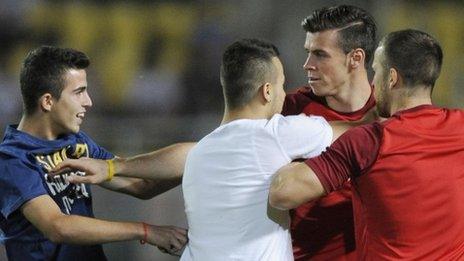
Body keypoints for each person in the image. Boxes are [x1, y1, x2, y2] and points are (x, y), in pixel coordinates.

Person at [52, 39, 373, 260]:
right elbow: (361, 131)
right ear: (267, 91)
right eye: (282, 83)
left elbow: (183, 156)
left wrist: (113, 167)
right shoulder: (279, 133)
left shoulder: (204, 150)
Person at [269, 29, 464, 260]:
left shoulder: (369, 142)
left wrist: (291, 151)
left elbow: (282, 193)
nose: (373, 82)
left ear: (391, 78)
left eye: (376, 72)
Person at [0, 46, 188, 261]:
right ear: (48, 101)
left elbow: (142, 184)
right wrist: (144, 230)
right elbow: (57, 226)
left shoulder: (76, 143)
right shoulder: (12, 160)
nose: (88, 101)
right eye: (79, 92)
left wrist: (196, 164)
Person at [282, 5, 377, 260]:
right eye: (308, 53)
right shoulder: (289, 111)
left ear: (355, 58)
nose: (307, 65)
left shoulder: (393, 113)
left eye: (320, 55)